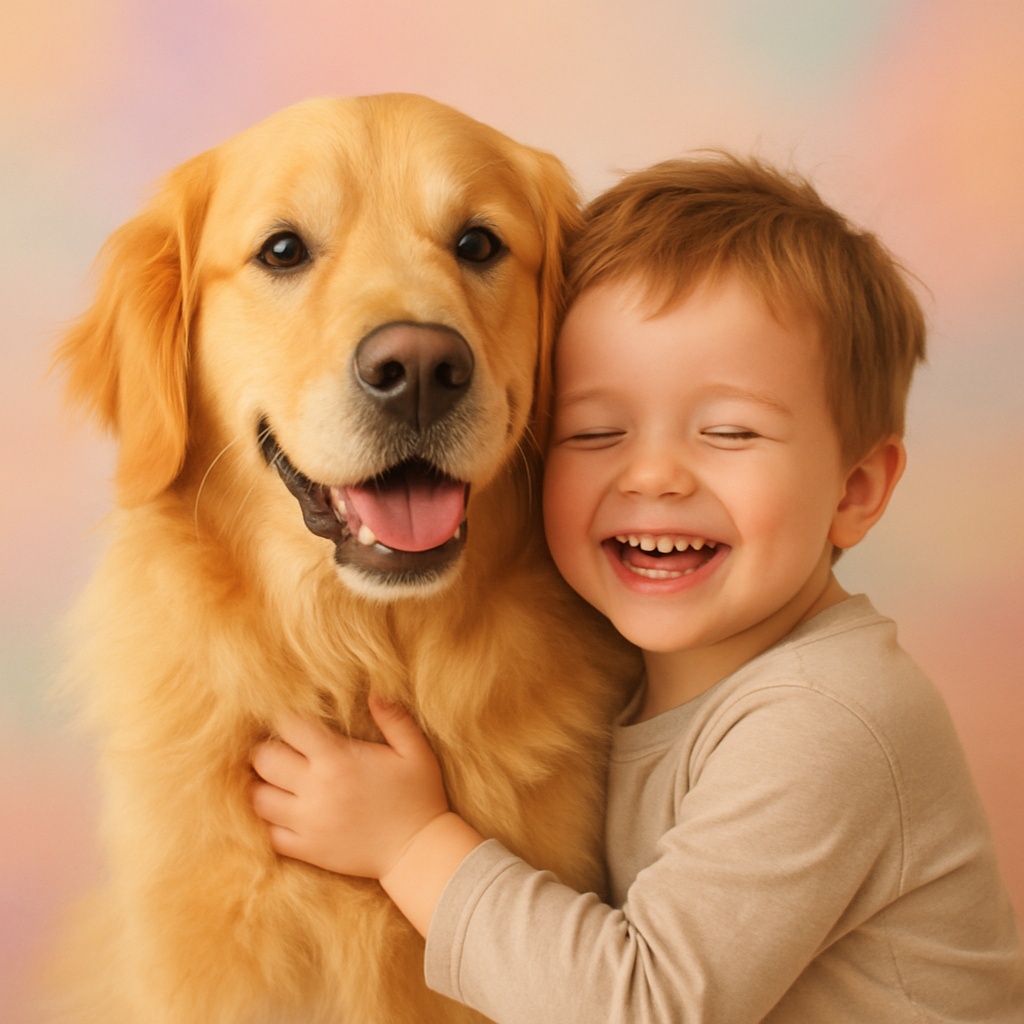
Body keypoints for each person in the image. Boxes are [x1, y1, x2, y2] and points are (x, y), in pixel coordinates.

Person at [250, 154, 1024, 1021]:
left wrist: (411, 843)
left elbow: (644, 1004)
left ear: (855, 490)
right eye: (596, 431)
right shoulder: (623, 673)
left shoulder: (829, 718)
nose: (652, 475)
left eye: (728, 431)